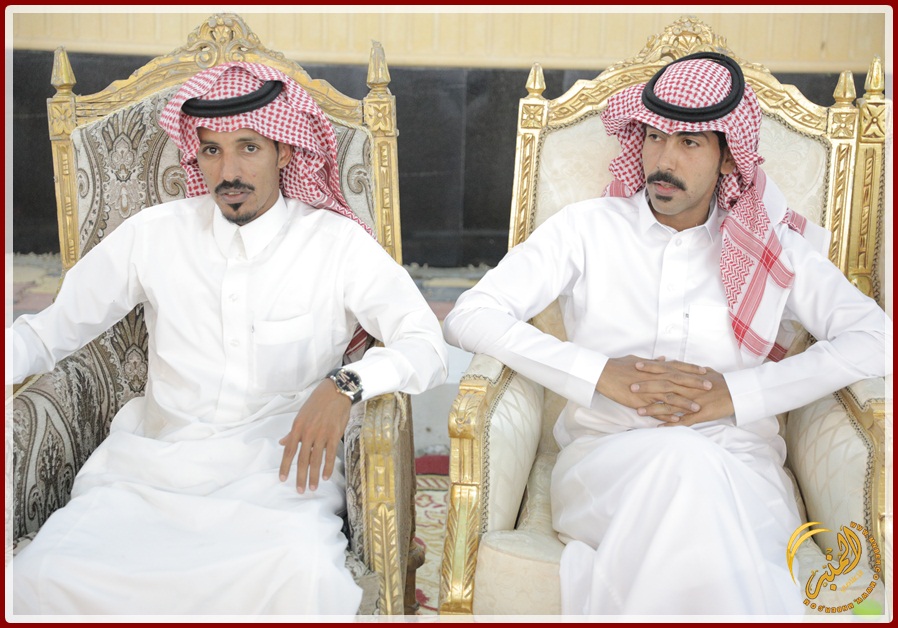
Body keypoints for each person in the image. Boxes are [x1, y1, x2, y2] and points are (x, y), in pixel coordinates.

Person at [442, 52, 892, 615]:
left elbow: (877, 337)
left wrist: (738, 395)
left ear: (728, 158)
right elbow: (470, 315)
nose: (663, 160)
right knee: (687, 474)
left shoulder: (769, 246)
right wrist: (598, 374)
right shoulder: (587, 229)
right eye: (654, 137)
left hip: (739, 470)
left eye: (689, 143)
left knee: (695, 475)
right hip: (606, 465)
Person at [7, 61, 448, 615]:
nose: (228, 171)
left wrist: (345, 385)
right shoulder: (155, 234)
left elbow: (426, 344)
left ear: (284, 151)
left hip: (278, 479)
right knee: (41, 576)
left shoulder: (335, 244)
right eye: (212, 151)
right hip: (149, 472)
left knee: (303, 575)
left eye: (248, 148)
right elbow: (48, 333)